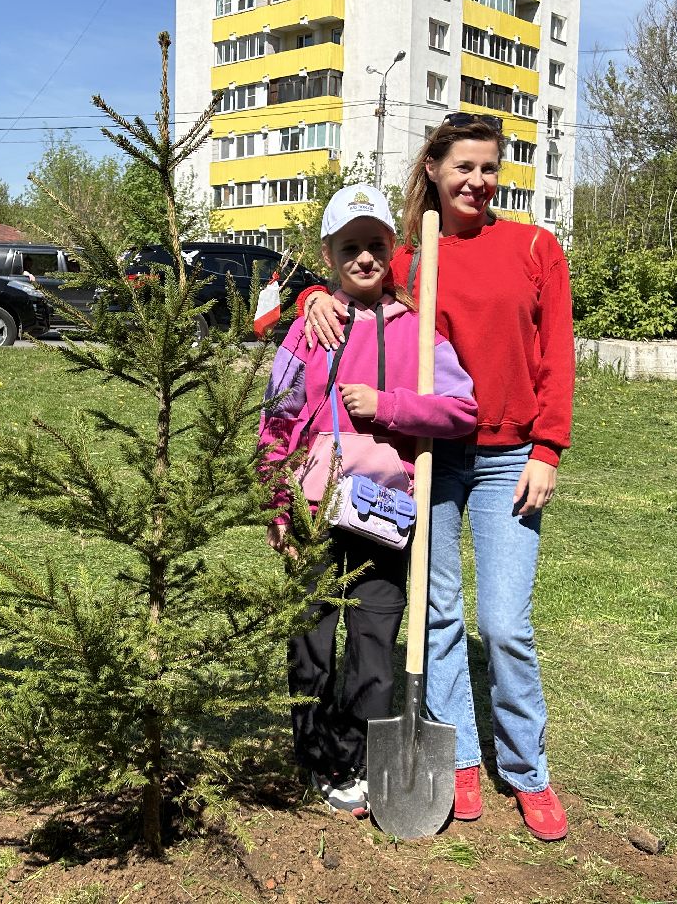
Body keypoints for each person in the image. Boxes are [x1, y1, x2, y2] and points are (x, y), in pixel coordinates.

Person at [300, 113, 576, 841]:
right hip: (431, 456)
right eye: (464, 168)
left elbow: (558, 353)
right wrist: (310, 298)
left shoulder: (535, 247)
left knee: (504, 625)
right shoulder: (414, 256)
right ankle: (457, 755)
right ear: (434, 169)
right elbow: (354, 286)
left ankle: (528, 771)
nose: (478, 182)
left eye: (489, 168)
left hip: (510, 456)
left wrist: (548, 449)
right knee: (439, 612)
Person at [260, 184, 478, 817]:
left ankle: (354, 759)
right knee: (311, 635)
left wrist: (388, 406)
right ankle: (315, 756)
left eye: (375, 245)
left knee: (376, 637)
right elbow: (278, 419)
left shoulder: (417, 330)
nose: (364, 258)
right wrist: (277, 503)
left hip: (385, 510)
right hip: (313, 510)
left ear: (392, 250)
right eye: (350, 247)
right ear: (328, 255)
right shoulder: (310, 328)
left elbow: (462, 409)